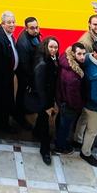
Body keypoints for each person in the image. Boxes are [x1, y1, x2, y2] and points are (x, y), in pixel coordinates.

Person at [54, 42, 86, 154]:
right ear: (72, 54)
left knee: (61, 123)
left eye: (84, 54)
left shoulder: (65, 60)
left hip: (62, 99)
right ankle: (61, 147)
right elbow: (73, 97)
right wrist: (79, 106)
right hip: (68, 105)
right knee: (65, 127)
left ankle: (59, 140)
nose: (82, 57)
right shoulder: (72, 76)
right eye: (79, 54)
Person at [32, 37, 60, 165]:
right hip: (44, 99)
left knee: (42, 119)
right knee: (45, 124)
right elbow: (40, 87)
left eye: (56, 47)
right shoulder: (43, 64)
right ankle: (45, 151)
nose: (54, 50)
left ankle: (36, 132)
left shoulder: (53, 58)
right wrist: (47, 105)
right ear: (46, 47)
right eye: (51, 47)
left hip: (49, 96)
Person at [14, 16, 42, 129]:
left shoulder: (33, 35)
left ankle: (25, 109)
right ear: (26, 28)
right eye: (32, 28)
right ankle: (19, 116)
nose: (35, 30)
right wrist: (33, 78)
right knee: (22, 93)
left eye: (36, 27)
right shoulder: (23, 43)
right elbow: (25, 65)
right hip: (25, 74)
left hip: (31, 70)